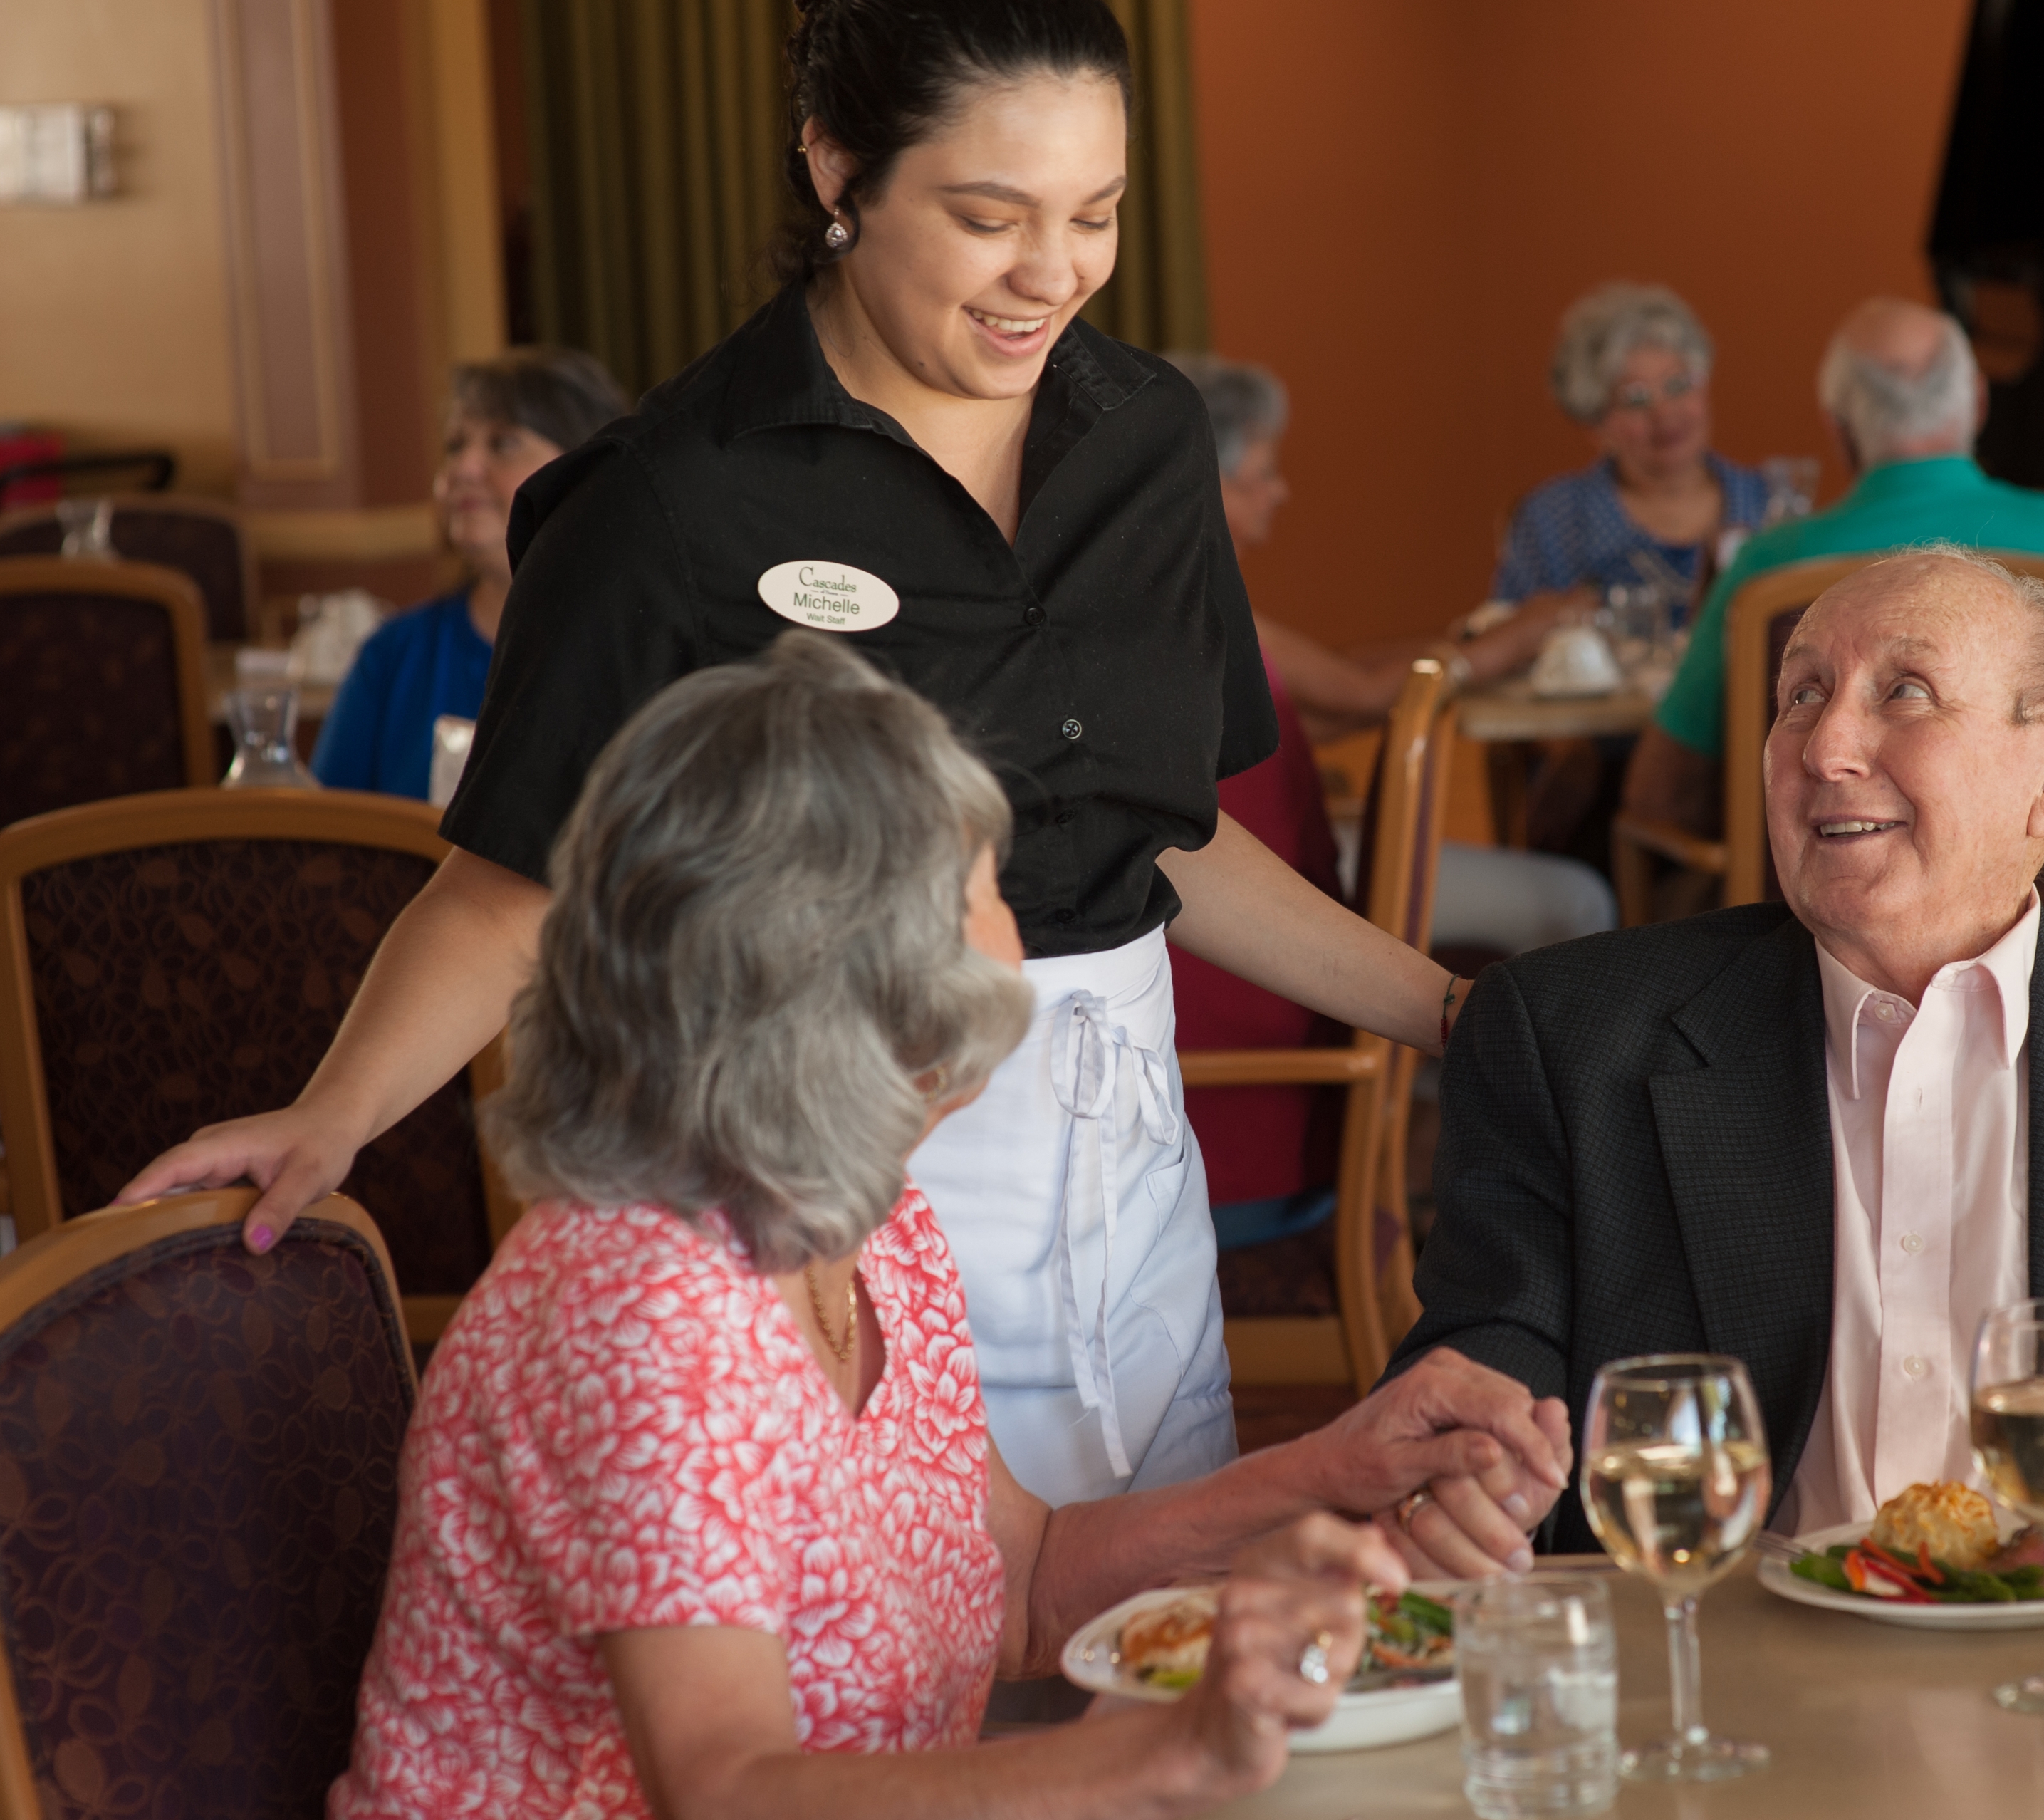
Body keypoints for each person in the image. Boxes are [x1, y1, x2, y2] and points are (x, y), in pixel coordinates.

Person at [120, 0, 1478, 1512]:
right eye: (988, 215)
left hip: (1139, 1178)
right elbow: (519, 883)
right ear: (838, 167)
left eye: (1095, 214)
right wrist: (333, 1114)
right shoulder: (670, 501)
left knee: (1154, 1653)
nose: (1055, 271)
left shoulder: (1147, 439)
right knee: (920, 1688)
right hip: (839, 1186)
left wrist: (1454, 1014)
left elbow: (1158, 837)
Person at [328, 631, 1571, 1816]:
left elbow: (1022, 1584)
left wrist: (1345, 1464)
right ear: (835, 971)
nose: (1020, 933)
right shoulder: (640, 1303)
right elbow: (727, 1791)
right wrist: (1168, 1759)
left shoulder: (865, 1219)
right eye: (981, 886)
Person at [1389, 548, 2044, 1551]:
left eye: (1905, 692)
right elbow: (1491, 1353)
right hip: (1724, 1662)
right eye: (1801, 695)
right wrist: (1480, 1460)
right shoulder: (1571, 1038)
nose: (1825, 747)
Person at [1161, 353, 1615, 1249]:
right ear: (1203, 483)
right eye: (1262, 474)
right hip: (1257, 1100)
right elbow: (1376, 696)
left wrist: (1469, 642)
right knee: (1577, 899)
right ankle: (1570, 1142)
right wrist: (1513, 637)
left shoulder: (1185, 613)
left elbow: (1345, 687)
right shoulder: (1211, 620)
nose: (1281, 490)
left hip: (1261, 1021)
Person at [1627, 298, 2044, 840]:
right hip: (2040, 910)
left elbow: (1661, 792)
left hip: (1814, 912)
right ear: (1977, 402)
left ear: (1836, 427)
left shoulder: (1771, 565)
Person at [310, 348, 630, 800]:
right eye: (456, 446)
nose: (463, 468)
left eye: (503, 443)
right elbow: (331, 845)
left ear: (584, 472)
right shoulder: (395, 655)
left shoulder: (637, 648)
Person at [1492, 282, 1776, 613]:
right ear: (1598, 424)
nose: (1665, 413)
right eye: (1635, 398)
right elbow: (1505, 643)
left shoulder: (1769, 503)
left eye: (1678, 385)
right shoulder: (1552, 523)